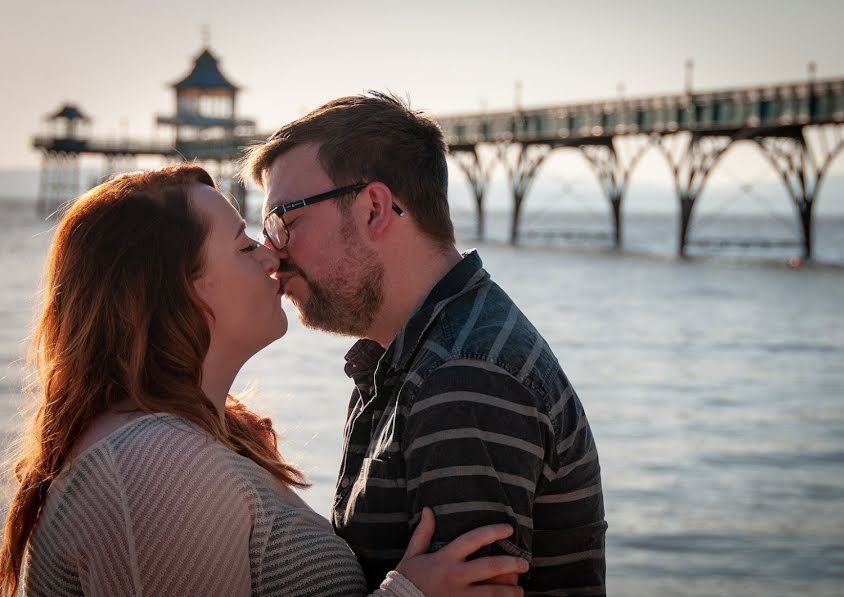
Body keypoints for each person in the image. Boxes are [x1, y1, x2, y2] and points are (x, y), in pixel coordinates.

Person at [0, 165, 529, 597]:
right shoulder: (150, 465)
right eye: (242, 246)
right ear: (181, 291)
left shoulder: (179, 443)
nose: (272, 255)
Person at [242, 92, 607, 595]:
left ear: (374, 208)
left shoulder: (463, 378)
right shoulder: (414, 356)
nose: (271, 253)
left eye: (284, 220)